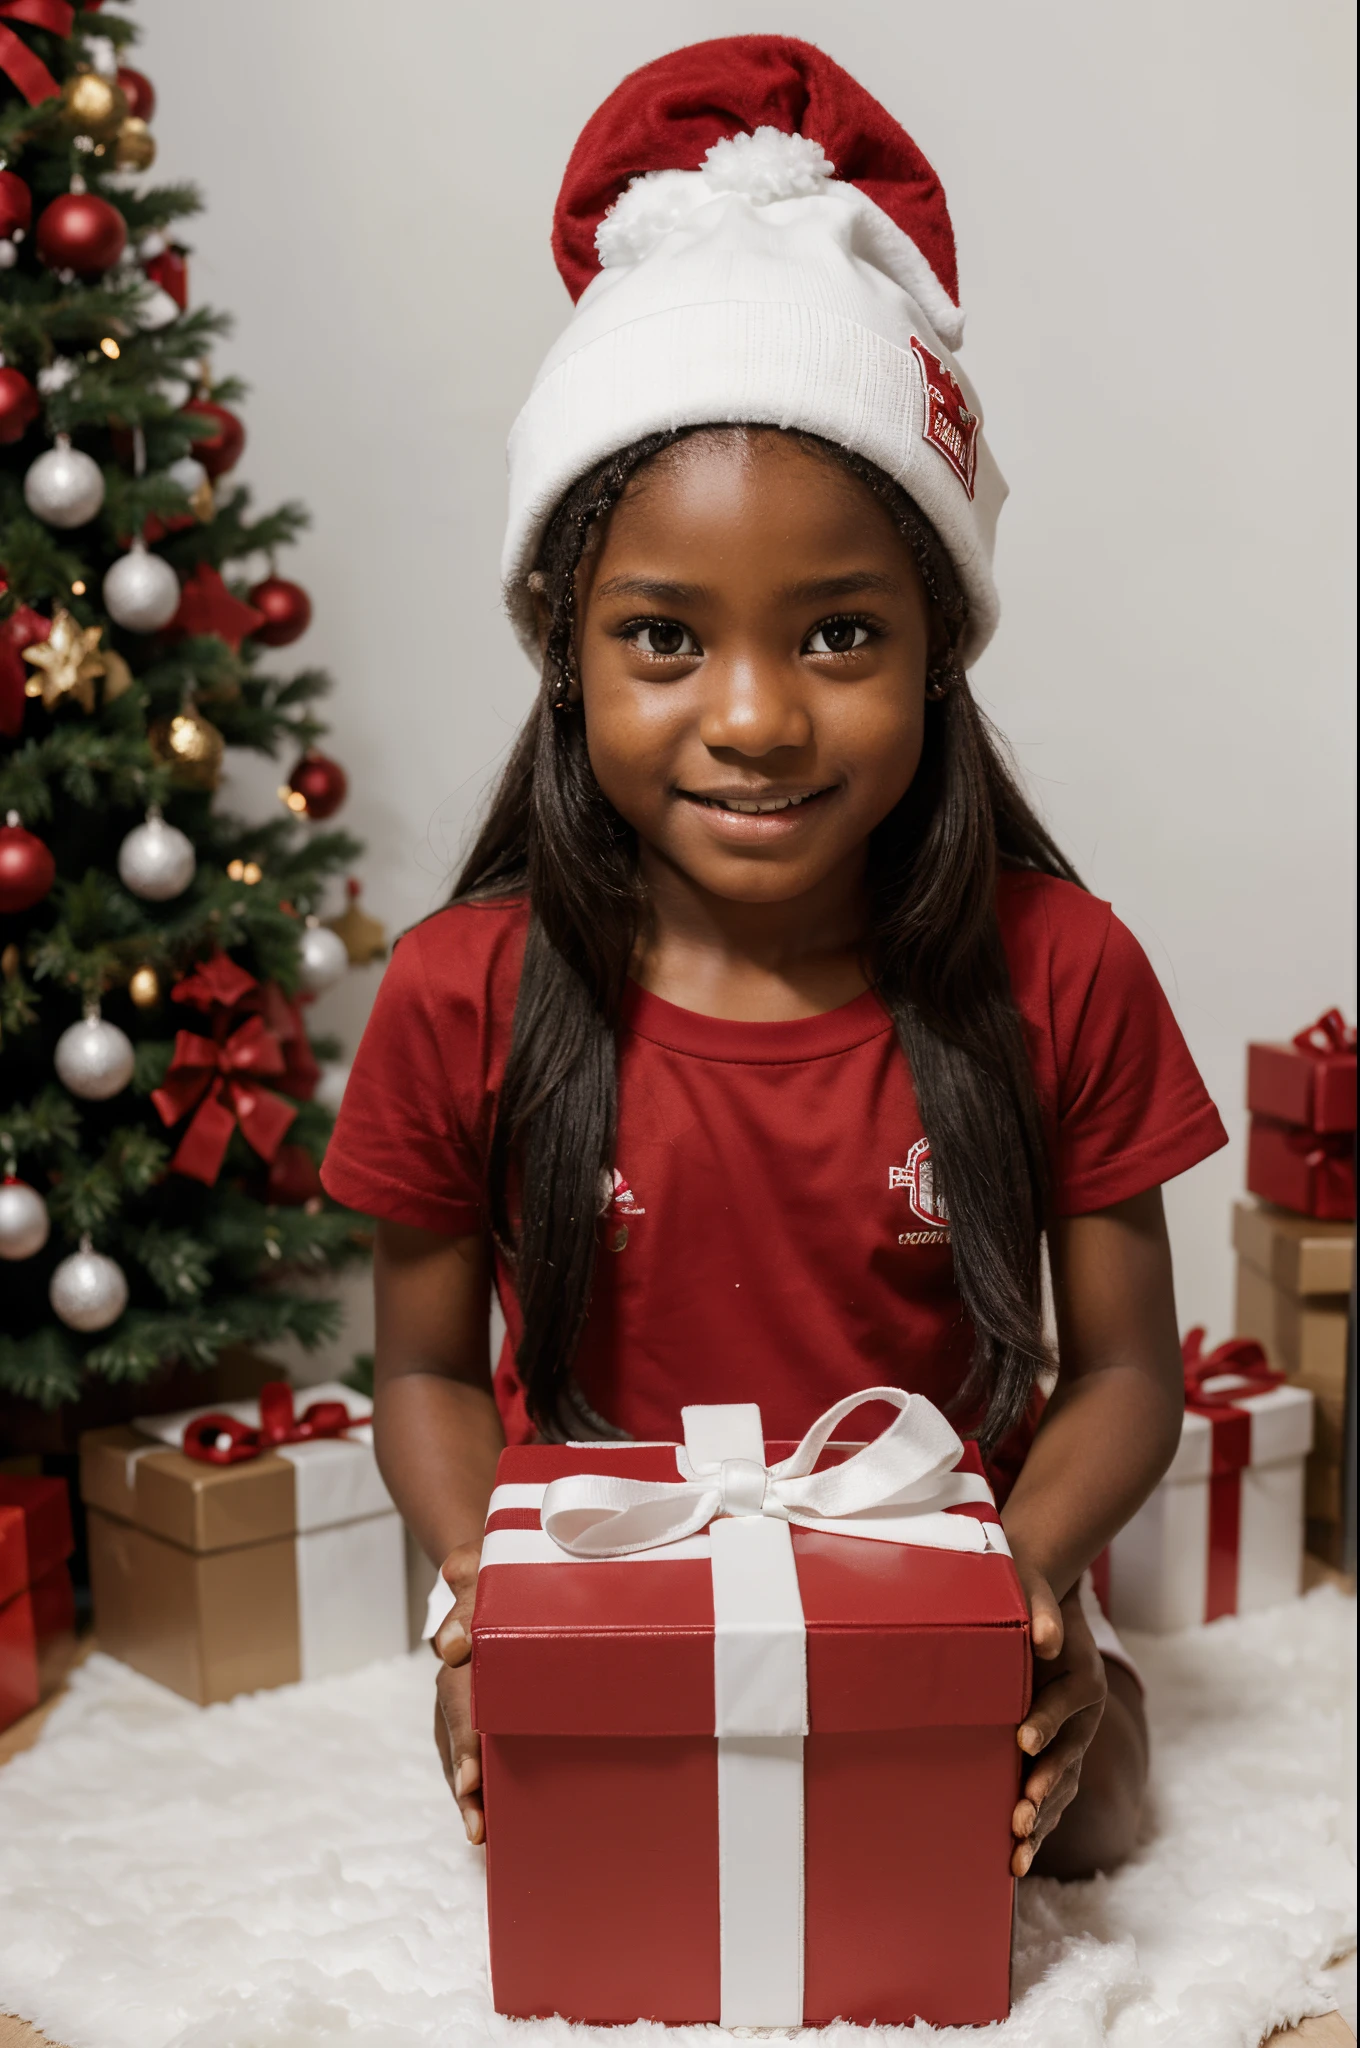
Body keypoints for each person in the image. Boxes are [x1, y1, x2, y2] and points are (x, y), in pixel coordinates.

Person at [321, 35, 1227, 1880]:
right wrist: (480, 1604)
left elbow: (1130, 1368)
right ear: (566, 652)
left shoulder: (1062, 969)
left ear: (939, 648)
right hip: (610, 1580)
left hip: (944, 1570)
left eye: (835, 636)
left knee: (1081, 1827)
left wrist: (1027, 1585)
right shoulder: (457, 995)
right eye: (666, 639)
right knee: (620, 1866)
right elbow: (420, 1369)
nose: (754, 717)